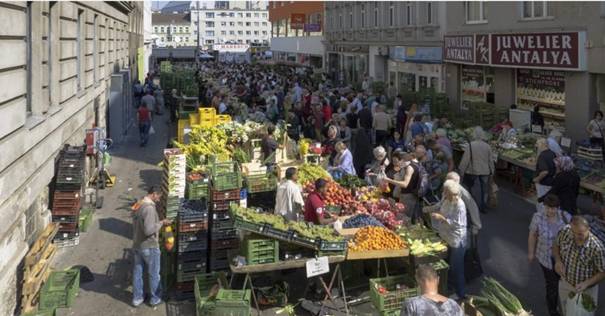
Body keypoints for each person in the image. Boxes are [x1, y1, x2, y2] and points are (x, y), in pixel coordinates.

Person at [528, 194, 571, 316]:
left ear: (558, 207)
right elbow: (533, 235)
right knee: (552, 284)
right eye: (548, 208)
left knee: (561, 282)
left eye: (553, 208)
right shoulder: (537, 217)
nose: (550, 211)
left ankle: (556, 299)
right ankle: (552, 310)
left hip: (563, 258)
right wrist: (531, 253)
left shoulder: (566, 217)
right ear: (544, 206)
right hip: (545, 257)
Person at [553, 216, 605, 315]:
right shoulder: (565, 231)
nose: (576, 237)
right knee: (566, 312)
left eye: (580, 234)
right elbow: (556, 245)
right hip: (565, 284)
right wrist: (558, 260)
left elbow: (603, 272)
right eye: (573, 232)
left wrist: (586, 283)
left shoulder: (597, 248)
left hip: (586, 290)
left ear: (588, 230)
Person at [132, 186, 171, 307]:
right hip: (149, 246)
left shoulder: (139, 203)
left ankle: (137, 298)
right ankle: (155, 298)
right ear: (154, 194)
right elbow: (149, 230)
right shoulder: (149, 209)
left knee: (138, 271)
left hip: (137, 244)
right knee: (154, 273)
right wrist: (161, 222)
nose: (159, 200)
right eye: (159, 197)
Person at [430, 180, 467, 300]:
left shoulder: (459, 205)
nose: (443, 193)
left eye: (445, 191)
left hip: (457, 240)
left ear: (450, 192)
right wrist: (428, 210)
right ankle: (449, 288)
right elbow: (439, 207)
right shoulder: (446, 199)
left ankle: (461, 293)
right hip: (447, 236)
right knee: (449, 265)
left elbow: (457, 224)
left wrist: (441, 218)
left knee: (457, 267)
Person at [459, 127, 494, 214]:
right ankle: (483, 205)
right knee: (484, 189)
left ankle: (472, 205)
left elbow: (465, 159)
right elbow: (490, 160)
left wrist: (461, 170)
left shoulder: (470, 145)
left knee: (471, 187)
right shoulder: (487, 146)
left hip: (472, 170)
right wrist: (492, 171)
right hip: (485, 170)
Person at [379, 152, 419, 219]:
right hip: (404, 195)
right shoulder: (406, 167)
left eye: (397, 161)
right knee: (401, 216)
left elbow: (405, 184)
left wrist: (388, 180)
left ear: (402, 160)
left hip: (408, 197)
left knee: (405, 218)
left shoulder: (409, 168)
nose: (396, 164)